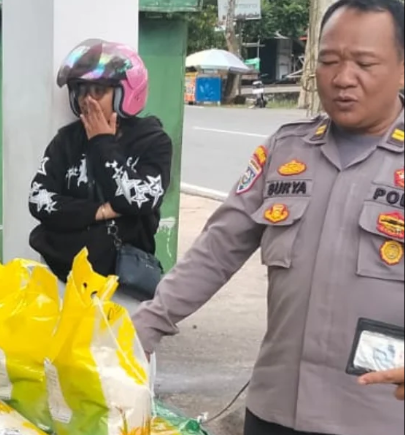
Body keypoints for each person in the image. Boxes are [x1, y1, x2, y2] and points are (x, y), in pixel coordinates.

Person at [132, 0, 405, 433]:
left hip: (376, 417)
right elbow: (217, 248)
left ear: (402, 69)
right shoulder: (286, 149)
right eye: (329, 61)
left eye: (364, 63)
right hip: (276, 410)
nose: (342, 78)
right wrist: (144, 327)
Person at [28, 39, 173, 300]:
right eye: (81, 91)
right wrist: (100, 211)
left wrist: (102, 143)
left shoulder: (153, 141)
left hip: (122, 279)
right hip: (62, 272)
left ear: (123, 95)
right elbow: (39, 200)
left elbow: (140, 200)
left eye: (98, 91)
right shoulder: (66, 140)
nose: (88, 100)